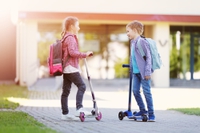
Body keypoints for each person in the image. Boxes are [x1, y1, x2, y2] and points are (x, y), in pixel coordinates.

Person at [60, 16, 93, 120]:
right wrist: (85, 54)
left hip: (66, 68)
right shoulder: (70, 38)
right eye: (77, 26)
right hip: (70, 67)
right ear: (71, 26)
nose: (79, 28)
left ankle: (65, 114)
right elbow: (72, 52)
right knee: (82, 86)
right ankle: (79, 108)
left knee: (66, 91)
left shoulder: (66, 36)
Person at [126, 20, 155, 122]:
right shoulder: (132, 42)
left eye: (128, 31)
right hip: (136, 73)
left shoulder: (141, 41)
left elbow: (148, 58)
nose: (127, 34)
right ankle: (143, 110)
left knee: (147, 92)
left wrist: (147, 72)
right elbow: (133, 58)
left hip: (144, 73)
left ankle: (151, 114)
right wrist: (131, 68)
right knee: (135, 91)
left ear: (134, 30)